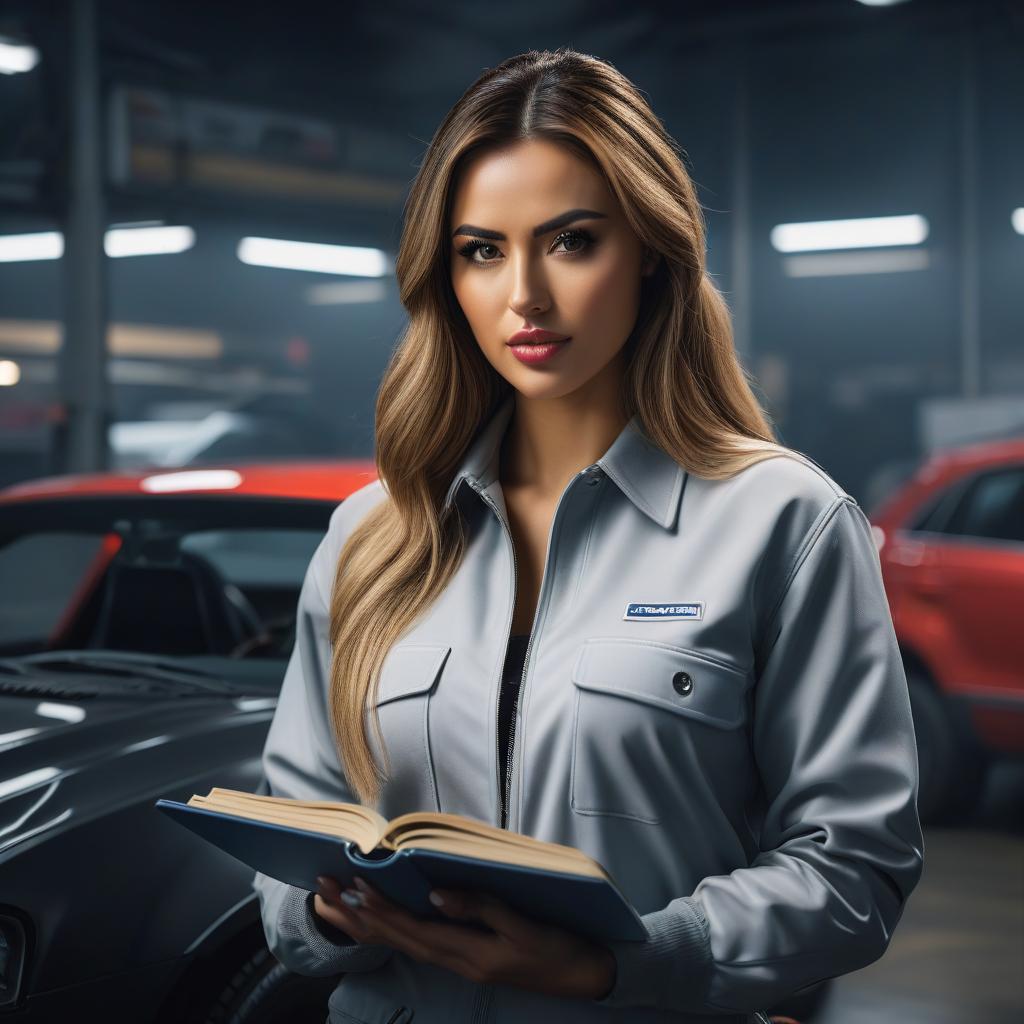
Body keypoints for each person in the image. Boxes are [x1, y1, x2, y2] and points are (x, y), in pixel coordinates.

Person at [252, 47, 925, 1024]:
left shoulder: (781, 522)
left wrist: (626, 963)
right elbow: (291, 844)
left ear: (649, 248)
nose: (523, 292)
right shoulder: (371, 534)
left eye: (570, 241)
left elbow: (854, 869)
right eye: (481, 249)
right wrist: (331, 911)